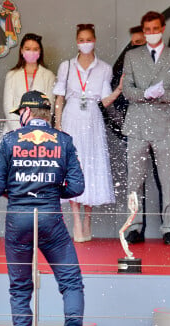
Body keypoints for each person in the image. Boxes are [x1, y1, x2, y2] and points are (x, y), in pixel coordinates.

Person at [0, 90, 92, 326]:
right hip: (50, 218)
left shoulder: (9, 140)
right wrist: (51, 189)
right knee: (70, 280)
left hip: (18, 220)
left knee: (20, 288)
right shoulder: (64, 141)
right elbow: (77, 188)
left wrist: (10, 190)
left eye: (20, 113)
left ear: (27, 113)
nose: (19, 117)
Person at [53, 23, 122, 242]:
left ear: (95, 40)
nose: (85, 43)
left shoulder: (104, 68)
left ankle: (87, 219)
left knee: (91, 166)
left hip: (92, 118)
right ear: (76, 41)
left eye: (88, 39)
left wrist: (120, 89)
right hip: (72, 117)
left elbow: (105, 100)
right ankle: (75, 220)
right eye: (81, 40)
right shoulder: (67, 66)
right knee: (74, 166)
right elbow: (59, 97)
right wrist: (58, 124)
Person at [122, 11, 170, 245]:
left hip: (164, 125)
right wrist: (145, 93)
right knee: (134, 180)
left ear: (163, 28)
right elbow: (127, 89)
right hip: (138, 124)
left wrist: (160, 95)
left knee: (168, 179)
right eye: (147, 30)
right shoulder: (132, 56)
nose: (151, 34)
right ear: (142, 30)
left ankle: (169, 228)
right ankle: (134, 226)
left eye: (155, 29)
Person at [3, 33, 55, 132]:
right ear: (21, 50)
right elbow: (8, 107)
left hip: (41, 132)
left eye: (35, 49)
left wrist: (36, 129)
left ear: (40, 51)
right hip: (14, 130)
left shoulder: (49, 76)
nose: (31, 52)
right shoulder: (12, 75)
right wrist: (20, 130)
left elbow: (49, 107)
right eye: (28, 49)